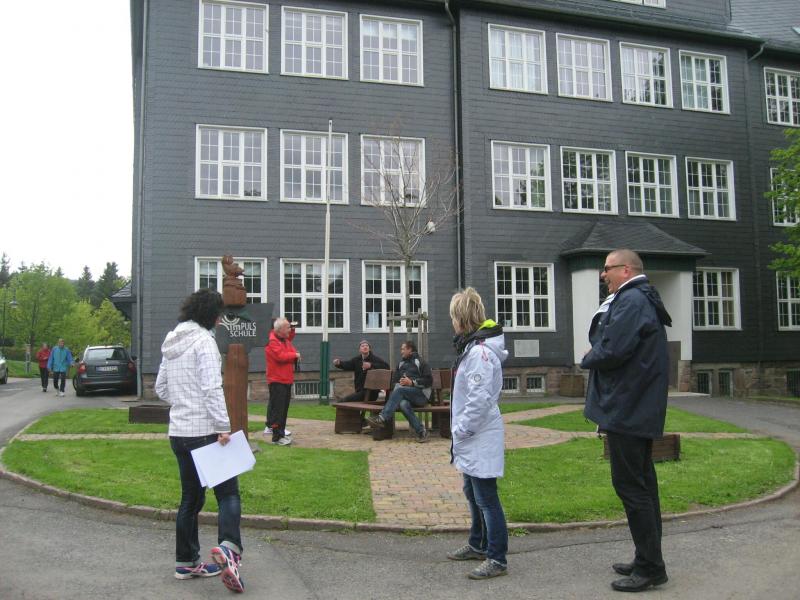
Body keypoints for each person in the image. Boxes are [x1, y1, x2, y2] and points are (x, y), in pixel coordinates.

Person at [581, 249, 672, 593]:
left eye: (607, 268)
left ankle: (650, 567)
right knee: (643, 486)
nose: (602, 274)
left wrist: (589, 357)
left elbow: (612, 350)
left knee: (632, 488)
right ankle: (647, 558)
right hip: (636, 407)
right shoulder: (639, 297)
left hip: (628, 409)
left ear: (626, 270)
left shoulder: (631, 301)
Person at [155, 288, 244, 593]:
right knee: (228, 494)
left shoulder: (171, 342)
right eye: (218, 315)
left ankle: (186, 562)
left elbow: (161, 388)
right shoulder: (205, 342)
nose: (219, 320)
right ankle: (229, 549)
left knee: (190, 500)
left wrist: (183, 401)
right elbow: (211, 388)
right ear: (209, 314)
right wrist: (223, 427)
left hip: (179, 433)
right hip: (205, 432)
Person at [445, 287, 509, 580]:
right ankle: (477, 543)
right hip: (472, 437)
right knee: (472, 492)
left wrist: (462, 430)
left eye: (453, 317)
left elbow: (479, 400)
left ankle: (497, 557)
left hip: (478, 435)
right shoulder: (472, 349)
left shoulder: (479, 353)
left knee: (486, 498)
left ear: (461, 318)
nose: (452, 323)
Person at [366, 340, 432, 442]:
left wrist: (412, 383)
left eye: (403, 349)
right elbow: (394, 381)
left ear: (410, 350)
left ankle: (382, 418)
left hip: (421, 395)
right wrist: (399, 384)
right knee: (403, 404)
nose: (401, 351)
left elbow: (429, 380)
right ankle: (422, 432)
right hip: (405, 395)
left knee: (400, 391)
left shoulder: (420, 362)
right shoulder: (401, 364)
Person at [265, 317, 301, 446]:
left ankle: (281, 434)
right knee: (278, 410)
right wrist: (294, 355)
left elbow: (290, 351)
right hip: (277, 380)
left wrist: (292, 354)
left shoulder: (284, 340)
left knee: (284, 410)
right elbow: (280, 357)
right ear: (279, 329)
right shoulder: (272, 341)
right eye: (288, 328)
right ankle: (276, 437)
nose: (290, 330)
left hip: (286, 379)